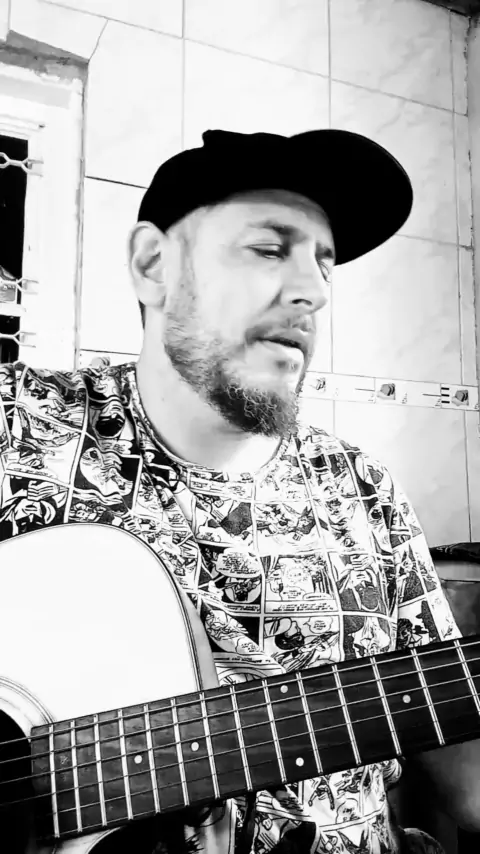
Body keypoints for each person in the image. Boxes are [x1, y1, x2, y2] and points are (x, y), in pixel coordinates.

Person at [0, 128, 479, 854]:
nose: (314, 291)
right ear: (154, 265)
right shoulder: (18, 425)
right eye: (269, 248)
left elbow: (464, 777)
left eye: (324, 264)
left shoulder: (364, 489)